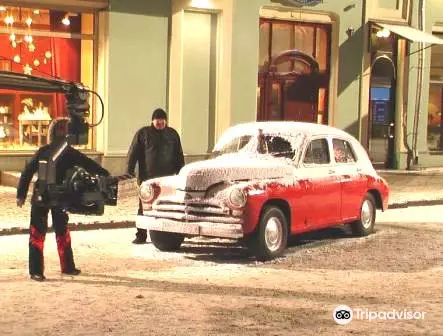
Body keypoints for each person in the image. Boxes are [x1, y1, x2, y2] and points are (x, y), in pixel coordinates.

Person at [16, 118, 110, 282]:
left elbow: (88, 164)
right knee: (38, 234)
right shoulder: (46, 151)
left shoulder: (67, 152)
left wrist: (106, 175)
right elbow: (27, 172)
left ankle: (66, 267)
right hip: (42, 197)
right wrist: (21, 194)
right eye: (64, 129)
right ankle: (37, 271)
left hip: (58, 197)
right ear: (59, 132)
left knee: (61, 232)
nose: (67, 132)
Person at [127, 108, 185, 244]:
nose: (160, 123)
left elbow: (179, 155)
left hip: (168, 179)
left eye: (162, 121)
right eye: (157, 121)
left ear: (166, 121)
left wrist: (181, 172)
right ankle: (141, 235)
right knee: (144, 207)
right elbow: (133, 153)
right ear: (152, 121)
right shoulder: (143, 133)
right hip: (148, 178)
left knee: (169, 206)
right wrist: (129, 171)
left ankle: (169, 233)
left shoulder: (172, 134)